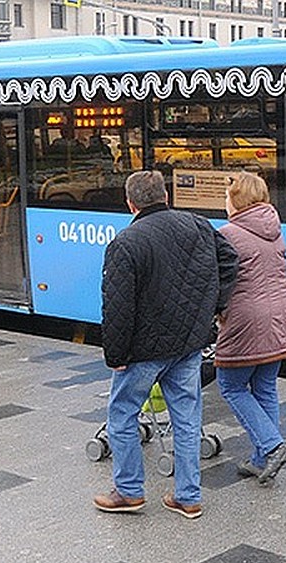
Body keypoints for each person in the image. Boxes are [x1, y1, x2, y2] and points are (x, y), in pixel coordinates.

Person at [95, 170, 238, 519]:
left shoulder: (125, 243)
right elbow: (230, 260)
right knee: (187, 419)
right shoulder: (198, 225)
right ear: (166, 197)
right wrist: (215, 306)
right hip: (189, 343)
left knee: (122, 415)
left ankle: (129, 492)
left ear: (130, 203)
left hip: (145, 350)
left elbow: (117, 306)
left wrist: (115, 354)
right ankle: (188, 497)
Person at [215, 172, 286, 485]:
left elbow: (219, 281)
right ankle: (259, 459)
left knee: (231, 384)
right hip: (281, 314)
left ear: (237, 200)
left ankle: (272, 445)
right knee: (265, 386)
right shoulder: (274, 228)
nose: (224, 202)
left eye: (227, 197)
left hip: (248, 319)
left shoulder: (228, 233)